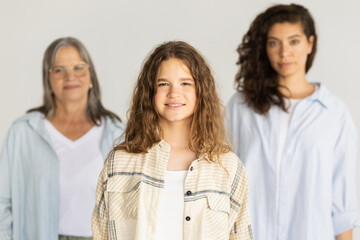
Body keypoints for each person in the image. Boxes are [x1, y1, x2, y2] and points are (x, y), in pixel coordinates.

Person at [92, 41, 253, 240]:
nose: (174, 93)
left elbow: (241, 235)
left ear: (201, 91)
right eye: (163, 84)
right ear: (150, 92)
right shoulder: (118, 163)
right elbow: (101, 234)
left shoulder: (227, 166)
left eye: (185, 83)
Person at [226, 3, 359, 240]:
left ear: (310, 43)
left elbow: (343, 202)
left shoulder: (334, 113)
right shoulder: (241, 106)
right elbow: (221, 182)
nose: (284, 53)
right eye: (274, 43)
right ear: (264, 48)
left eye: (294, 41)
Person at [0, 37, 124, 240]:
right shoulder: (23, 132)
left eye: (78, 67)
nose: (70, 76)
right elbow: (2, 204)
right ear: (48, 79)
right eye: (59, 70)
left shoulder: (116, 134)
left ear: (91, 76)